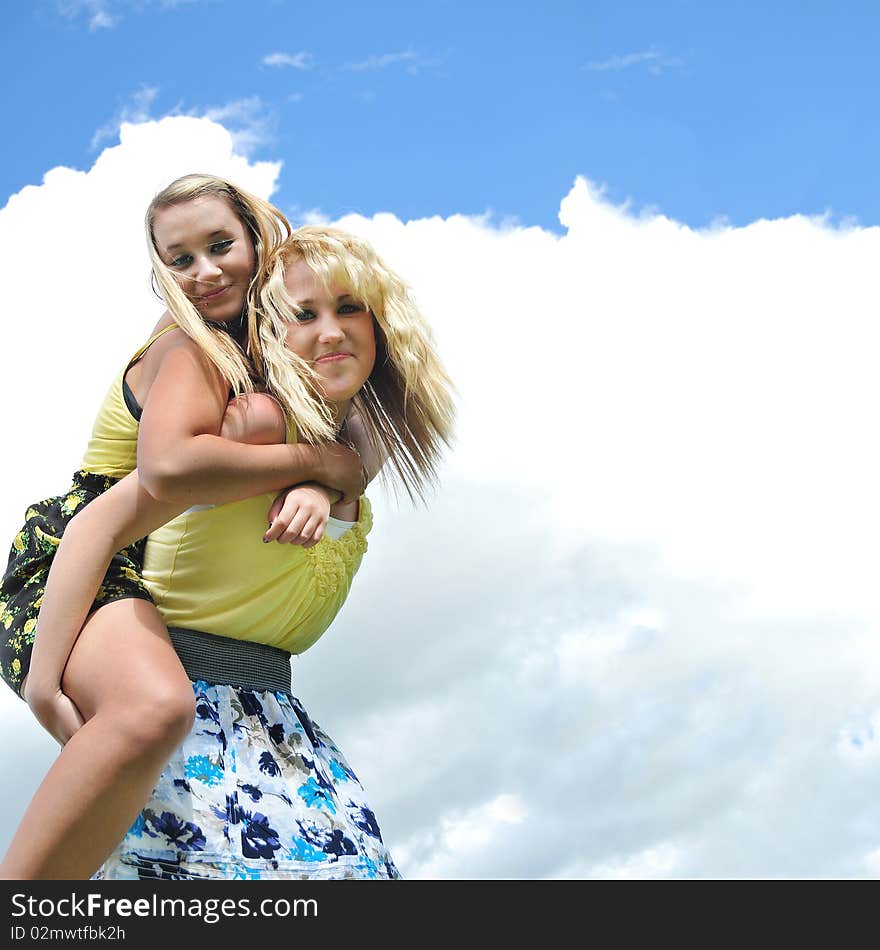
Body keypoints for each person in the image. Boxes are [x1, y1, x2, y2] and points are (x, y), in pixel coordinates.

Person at [25, 225, 455, 879]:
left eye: (349, 307)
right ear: (267, 335)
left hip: (277, 730)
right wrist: (45, 683)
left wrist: (321, 478)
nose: (332, 331)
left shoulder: (357, 446)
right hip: (187, 731)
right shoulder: (246, 428)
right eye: (302, 316)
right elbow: (94, 526)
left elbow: (356, 442)